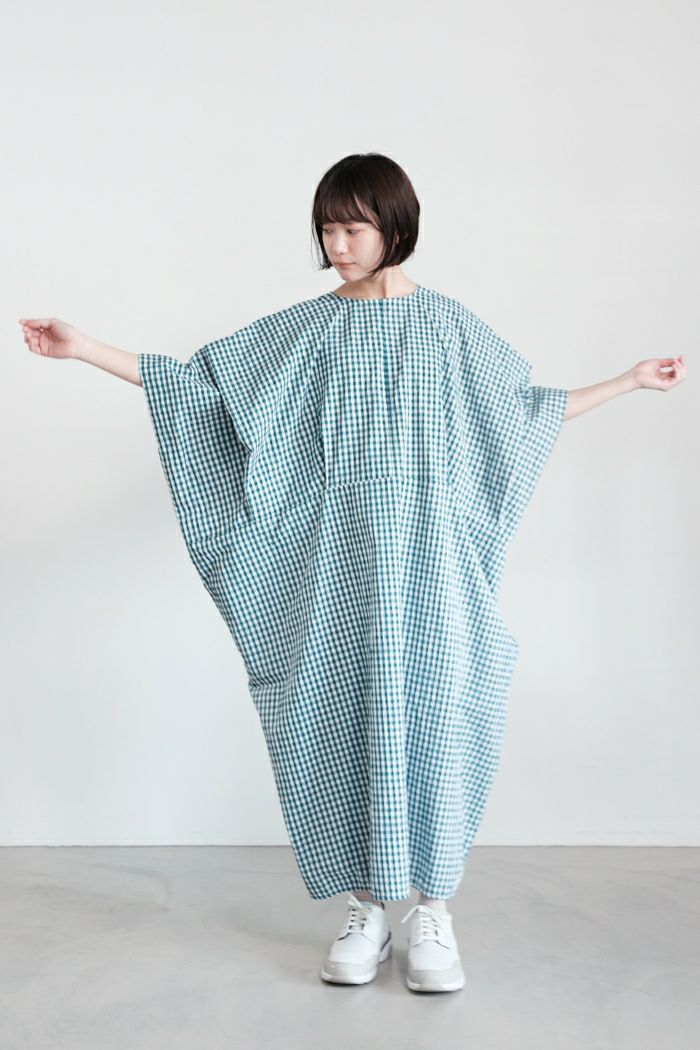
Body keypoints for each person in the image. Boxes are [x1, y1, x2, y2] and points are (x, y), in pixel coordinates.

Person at [18, 153, 686, 994]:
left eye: (353, 228)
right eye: (327, 230)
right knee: (338, 715)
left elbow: (524, 413)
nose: (337, 245)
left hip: (434, 576)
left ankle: (434, 909)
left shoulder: (449, 329)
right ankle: (366, 907)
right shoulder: (305, 331)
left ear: (395, 227)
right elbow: (198, 393)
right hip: (335, 577)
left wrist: (627, 382)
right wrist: (83, 349)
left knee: (440, 716)